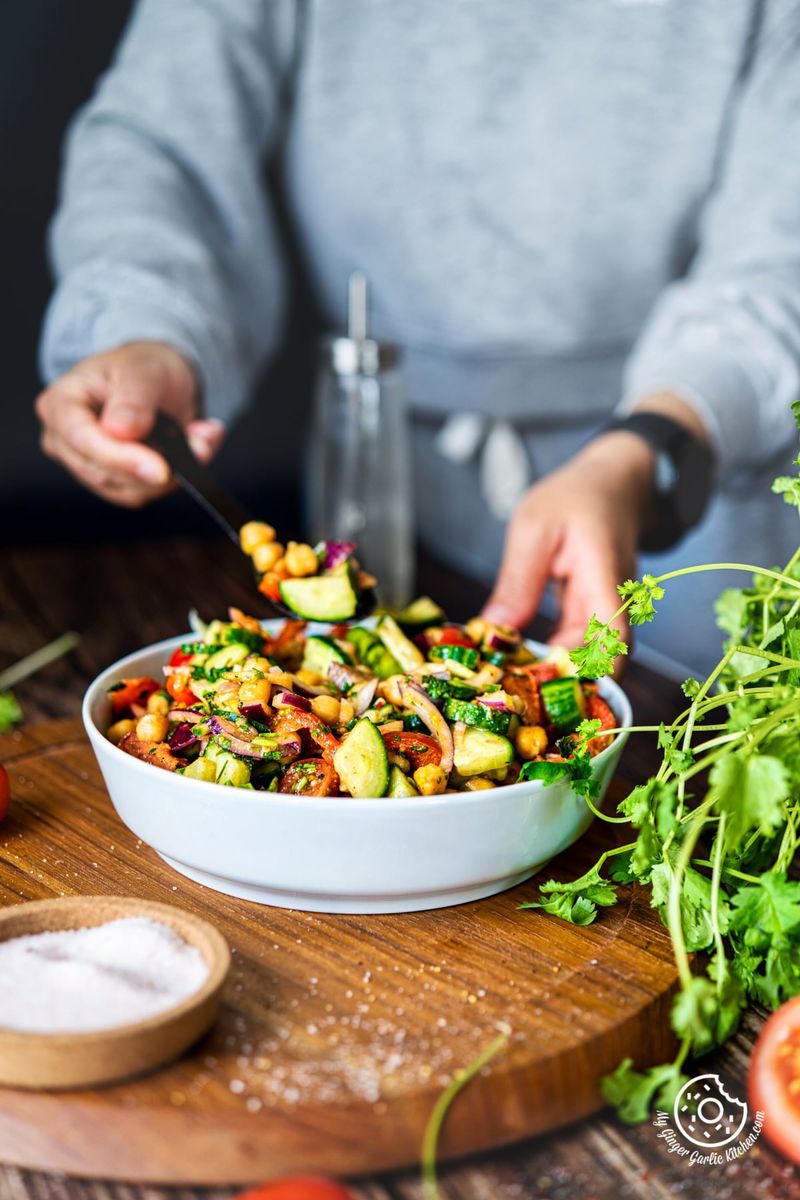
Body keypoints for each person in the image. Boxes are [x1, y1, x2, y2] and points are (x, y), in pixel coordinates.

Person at [36, 1, 800, 675]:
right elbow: (160, 142)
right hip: (380, 474)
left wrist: (652, 441)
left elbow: (778, 252)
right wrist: (141, 326)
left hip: (683, 506)